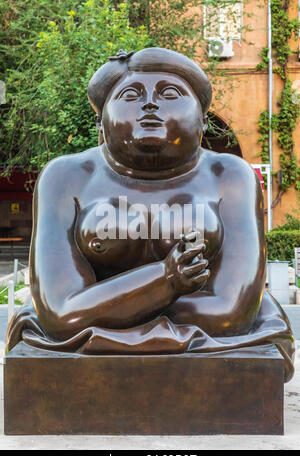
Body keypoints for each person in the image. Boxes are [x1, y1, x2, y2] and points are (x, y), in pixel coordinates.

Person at [6, 47, 295, 381]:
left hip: (214, 345)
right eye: (131, 94)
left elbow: (231, 315)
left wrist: (105, 307)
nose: (149, 103)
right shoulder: (66, 176)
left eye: (169, 93)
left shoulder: (229, 176)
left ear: (202, 118)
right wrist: (166, 280)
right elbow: (59, 314)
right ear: (101, 121)